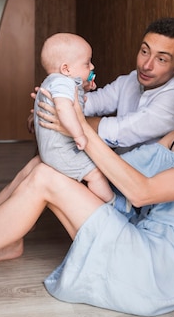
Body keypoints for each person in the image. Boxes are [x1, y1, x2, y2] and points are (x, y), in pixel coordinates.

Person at [0, 42, 174, 316]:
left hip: (161, 270)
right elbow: (115, 172)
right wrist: (59, 102)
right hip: (140, 233)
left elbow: (142, 192)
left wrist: (78, 127)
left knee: (45, 179)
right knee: (44, 166)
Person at [0, 17, 174, 259]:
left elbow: (117, 132)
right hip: (113, 175)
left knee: (44, 172)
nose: (147, 64)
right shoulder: (130, 81)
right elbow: (93, 102)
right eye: (145, 51)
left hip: (135, 196)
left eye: (161, 59)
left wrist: (63, 117)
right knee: (40, 162)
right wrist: (54, 101)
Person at [34, 33, 114, 203]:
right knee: (95, 173)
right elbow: (64, 108)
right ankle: (113, 203)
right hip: (61, 151)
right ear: (66, 69)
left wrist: (84, 87)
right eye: (87, 63)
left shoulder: (56, 81)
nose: (92, 67)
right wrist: (79, 134)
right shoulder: (62, 83)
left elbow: (73, 99)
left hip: (54, 149)